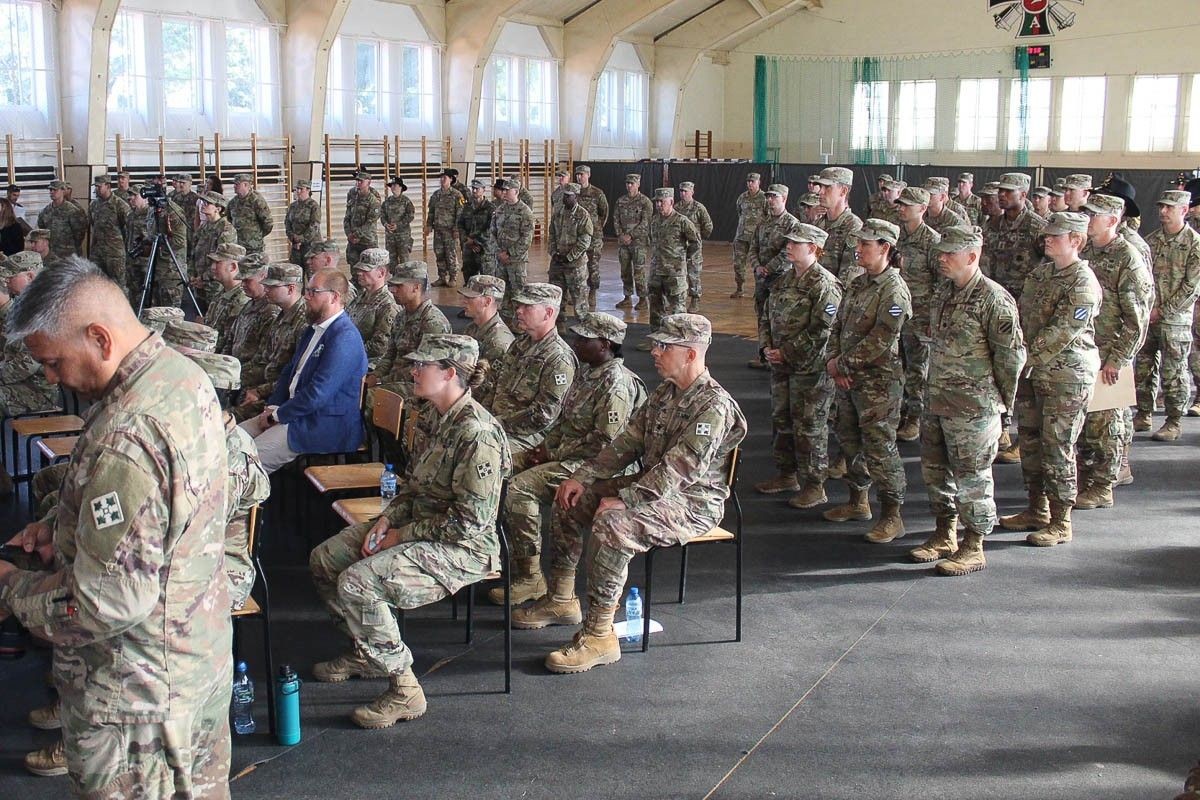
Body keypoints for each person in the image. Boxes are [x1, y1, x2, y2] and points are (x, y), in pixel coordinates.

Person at [0, 257, 231, 797]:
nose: (53, 379)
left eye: (55, 362)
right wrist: (60, 526)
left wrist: (13, 589)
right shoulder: (176, 374)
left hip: (138, 700)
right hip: (188, 660)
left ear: (100, 337)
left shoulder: (130, 431)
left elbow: (106, 603)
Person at [308, 334, 509, 728]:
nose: (414, 371)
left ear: (450, 373)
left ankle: (405, 688)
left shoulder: (477, 434)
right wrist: (387, 520)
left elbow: (470, 523)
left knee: (357, 583)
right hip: (418, 525)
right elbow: (413, 484)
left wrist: (402, 534)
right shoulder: (434, 414)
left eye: (424, 366)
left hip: (462, 547)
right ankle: (367, 651)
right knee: (324, 560)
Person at [544, 313, 746, 673]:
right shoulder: (665, 394)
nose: (654, 351)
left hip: (693, 503)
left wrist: (627, 499)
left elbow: (680, 470)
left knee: (613, 524)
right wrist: (583, 476)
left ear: (690, 354)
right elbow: (627, 443)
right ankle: (561, 597)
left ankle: (598, 635)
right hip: (654, 489)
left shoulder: (713, 406)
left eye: (664, 346)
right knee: (572, 498)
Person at [499, 313, 646, 610]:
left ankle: (537, 578)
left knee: (519, 489)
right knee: (504, 468)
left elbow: (608, 445)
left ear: (605, 344)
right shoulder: (588, 374)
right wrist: (544, 448)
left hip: (598, 466)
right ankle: (525, 568)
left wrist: (554, 453)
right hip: (571, 456)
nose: (575, 343)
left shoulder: (615, 383)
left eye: (584, 339)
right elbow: (564, 423)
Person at [910, 225, 1025, 575]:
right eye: (941, 252)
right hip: (938, 399)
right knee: (934, 472)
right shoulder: (945, 292)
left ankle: (974, 545)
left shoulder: (994, 299)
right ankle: (945, 533)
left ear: (972, 257)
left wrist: (1003, 405)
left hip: (974, 407)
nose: (941, 258)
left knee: (973, 478)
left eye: (950, 254)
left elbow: (1011, 359)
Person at [999, 212, 1101, 547]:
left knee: (1058, 445)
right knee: (1029, 440)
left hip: (1066, 375)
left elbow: (1063, 333)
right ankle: (1036, 507)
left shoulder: (1083, 282)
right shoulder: (1041, 274)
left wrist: (1022, 357)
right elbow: (1022, 316)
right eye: (1047, 235)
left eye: (1055, 236)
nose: (1047, 240)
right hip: (1033, 372)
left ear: (1076, 240)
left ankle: (1061, 520)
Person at [823, 219, 912, 543]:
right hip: (848, 380)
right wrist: (834, 361)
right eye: (858, 244)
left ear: (885, 248)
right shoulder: (859, 284)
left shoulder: (894, 290)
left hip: (878, 385)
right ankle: (857, 502)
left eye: (865, 245)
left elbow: (882, 340)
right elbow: (838, 326)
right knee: (849, 441)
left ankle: (892, 515)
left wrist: (841, 364)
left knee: (879, 448)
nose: (858, 250)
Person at [240, 268, 367, 472]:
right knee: (230, 440)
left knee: (242, 463)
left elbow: (318, 393)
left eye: (313, 291)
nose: (306, 296)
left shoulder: (345, 337)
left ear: (334, 297)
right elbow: (289, 372)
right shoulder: (313, 328)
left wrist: (278, 416)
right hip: (295, 414)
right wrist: (273, 407)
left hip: (322, 424)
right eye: (307, 290)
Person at [1073, 194, 1152, 510]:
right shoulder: (1087, 251)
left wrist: (1119, 358)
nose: (1087, 219)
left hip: (1111, 355)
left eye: (1094, 215)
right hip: (1087, 349)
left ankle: (1104, 485)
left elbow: (1137, 319)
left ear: (1112, 219)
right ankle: (1087, 478)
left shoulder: (1127, 257)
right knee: (1086, 423)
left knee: (1109, 424)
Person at [754, 225, 841, 509]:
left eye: (796, 243)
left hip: (810, 370)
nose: (789, 246)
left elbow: (822, 331)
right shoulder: (783, 280)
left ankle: (814, 486)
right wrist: (767, 347)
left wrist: (786, 352)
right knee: (782, 421)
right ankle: (787, 474)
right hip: (781, 366)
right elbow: (767, 315)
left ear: (813, 248)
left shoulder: (825, 285)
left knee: (810, 427)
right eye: (788, 242)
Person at [1133, 190, 1200, 441]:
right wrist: (1146, 310)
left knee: (1173, 373)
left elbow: (1191, 289)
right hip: (1149, 317)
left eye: (1169, 208)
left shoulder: (1195, 245)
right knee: (1143, 368)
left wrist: (1161, 311)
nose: (1163, 211)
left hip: (1175, 321)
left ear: (1183, 210)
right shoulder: (1151, 241)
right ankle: (1143, 413)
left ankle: (1173, 421)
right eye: (1161, 206)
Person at [487, 282, 577, 467]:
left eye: (527, 306)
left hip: (529, 437)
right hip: (498, 424)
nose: (519, 311)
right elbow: (496, 387)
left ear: (549, 313)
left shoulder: (559, 359)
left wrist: (495, 424)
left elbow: (543, 416)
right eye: (519, 305)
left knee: (480, 454)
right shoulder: (519, 345)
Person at [894, 186, 942, 441]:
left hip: (920, 317)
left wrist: (933, 320)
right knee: (897, 366)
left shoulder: (932, 242)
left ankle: (915, 416)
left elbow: (942, 284)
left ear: (922, 209)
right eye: (900, 204)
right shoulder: (898, 237)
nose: (901, 208)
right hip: (897, 314)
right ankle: (900, 411)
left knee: (917, 369)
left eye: (907, 205)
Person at [233, 263, 308, 421]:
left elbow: (296, 376)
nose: (266, 290)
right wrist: (233, 377)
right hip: (265, 388)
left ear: (291, 288)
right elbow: (261, 359)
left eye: (272, 286)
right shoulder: (281, 317)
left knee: (228, 420)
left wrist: (259, 391)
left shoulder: (304, 323)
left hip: (281, 397)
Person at [372, 260, 451, 404]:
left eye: (399, 286)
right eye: (392, 286)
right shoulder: (401, 316)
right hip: (395, 380)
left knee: (369, 399)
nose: (393, 290)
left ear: (416, 287)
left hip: (418, 385)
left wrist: (381, 381)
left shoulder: (433, 323)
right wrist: (376, 375)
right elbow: (390, 354)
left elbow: (424, 369)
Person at [747, 183, 802, 369]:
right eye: (768, 196)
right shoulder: (763, 223)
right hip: (762, 279)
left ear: (784, 199)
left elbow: (788, 253)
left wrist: (769, 268)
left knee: (779, 320)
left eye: (774, 197)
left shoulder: (792, 224)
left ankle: (779, 358)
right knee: (762, 317)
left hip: (780, 279)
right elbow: (752, 248)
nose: (769, 200)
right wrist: (757, 267)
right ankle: (763, 356)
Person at [641, 188, 700, 347]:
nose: (659, 205)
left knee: (677, 311)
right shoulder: (654, 221)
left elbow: (695, 242)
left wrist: (685, 260)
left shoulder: (682, 221)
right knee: (655, 308)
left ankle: (678, 343)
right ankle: (656, 340)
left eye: (662, 201)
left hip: (675, 274)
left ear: (671, 202)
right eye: (657, 202)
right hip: (656, 271)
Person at [459, 274, 513, 408]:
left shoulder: (499, 342)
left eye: (469, 298)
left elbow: (487, 391)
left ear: (487, 301)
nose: (463, 301)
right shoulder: (471, 328)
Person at [548, 181, 593, 327]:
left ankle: (584, 328)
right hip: (557, 263)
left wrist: (569, 257)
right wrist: (554, 253)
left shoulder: (583, 215)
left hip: (575, 265)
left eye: (569, 196)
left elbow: (585, 240)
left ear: (576, 197)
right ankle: (559, 325)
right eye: (564, 196)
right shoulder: (558, 214)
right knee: (556, 296)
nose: (565, 199)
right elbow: (552, 235)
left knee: (579, 299)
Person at [347, 247, 399, 370]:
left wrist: (346, 351)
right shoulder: (360, 297)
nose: (359, 273)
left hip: (370, 363)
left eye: (365, 270)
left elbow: (379, 346)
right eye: (359, 270)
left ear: (381, 273)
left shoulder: (388, 304)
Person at [490, 178, 536, 319]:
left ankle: (520, 322)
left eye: (507, 190)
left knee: (518, 293)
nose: (504, 192)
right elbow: (492, 233)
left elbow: (527, 238)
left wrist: (510, 253)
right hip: (501, 260)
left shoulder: (525, 212)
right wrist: (498, 252)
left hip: (516, 260)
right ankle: (506, 320)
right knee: (502, 292)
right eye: (503, 190)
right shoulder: (500, 210)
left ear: (515, 192)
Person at [814, 167, 864, 283]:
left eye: (827, 187)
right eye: (820, 187)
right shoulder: (819, 224)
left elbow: (848, 280)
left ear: (843, 191)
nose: (820, 192)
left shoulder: (854, 227)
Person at [613, 173, 653, 310]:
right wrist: (620, 235)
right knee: (625, 270)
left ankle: (643, 299)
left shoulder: (645, 202)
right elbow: (616, 220)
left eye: (632, 183)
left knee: (639, 271)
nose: (629, 186)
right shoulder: (620, 201)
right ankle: (627, 297)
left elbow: (645, 223)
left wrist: (630, 235)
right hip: (623, 243)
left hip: (638, 243)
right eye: (628, 183)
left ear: (638, 184)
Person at [203, 242, 251, 353]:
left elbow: (227, 342)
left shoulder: (241, 300)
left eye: (218, 263)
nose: (213, 267)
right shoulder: (221, 294)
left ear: (233, 267)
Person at [192, 190, 237, 307]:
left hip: (215, 283)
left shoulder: (226, 229)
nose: (203, 205)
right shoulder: (204, 227)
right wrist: (193, 275)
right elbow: (193, 252)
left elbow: (223, 259)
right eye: (203, 202)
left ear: (218, 208)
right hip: (199, 282)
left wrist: (204, 278)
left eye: (208, 203)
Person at [675, 181, 713, 313]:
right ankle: (678, 299)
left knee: (693, 274)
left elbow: (708, 226)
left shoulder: (698, 208)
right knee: (678, 274)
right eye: (681, 191)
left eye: (686, 191)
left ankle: (695, 299)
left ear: (692, 192)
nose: (683, 194)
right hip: (679, 247)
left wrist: (698, 238)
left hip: (694, 248)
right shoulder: (676, 207)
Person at [575, 165, 609, 307]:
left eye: (582, 174)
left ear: (588, 175)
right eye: (577, 174)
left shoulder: (597, 193)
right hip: (577, 236)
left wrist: (597, 228)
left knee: (593, 265)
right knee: (576, 266)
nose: (579, 177)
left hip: (593, 237)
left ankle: (593, 291)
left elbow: (604, 212)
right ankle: (578, 293)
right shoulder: (573, 192)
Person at [87, 175, 130, 286]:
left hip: (114, 253)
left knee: (118, 285)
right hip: (97, 253)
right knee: (96, 283)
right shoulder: (94, 205)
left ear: (108, 186)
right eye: (95, 187)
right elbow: (93, 224)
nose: (96, 189)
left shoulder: (120, 205)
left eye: (99, 186)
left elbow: (128, 227)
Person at [731, 171, 768, 298]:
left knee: (757, 265)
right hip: (741, 237)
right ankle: (739, 288)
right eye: (748, 181)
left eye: (753, 181)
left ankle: (758, 291)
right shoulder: (742, 197)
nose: (750, 184)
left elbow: (768, 217)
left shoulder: (764, 198)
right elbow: (739, 212)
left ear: (759, 182)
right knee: (738, 264)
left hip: (756, 239)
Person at [426, 168, 464, 286]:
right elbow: (431, 211)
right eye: (441, 178)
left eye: (445, 178)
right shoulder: (436, 195)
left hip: (450, 231)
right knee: (439, 254)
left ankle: (453, 277)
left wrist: (457, 229)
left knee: (450, 254)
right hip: (438, 230)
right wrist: (428, 225)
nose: (442, 180)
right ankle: (442, 277)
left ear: (451, 179)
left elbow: (460, 213)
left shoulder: (456, 195)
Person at [37, 178, 87, 259]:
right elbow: (42, 230)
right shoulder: (45, 211)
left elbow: (79, 233)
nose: (52, 192)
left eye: (55, 190)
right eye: (50, 190)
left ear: (63, 191)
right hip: (51, 254)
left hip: (69, 254)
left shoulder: (72, 211)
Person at [227, 173, 274, 255]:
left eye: (237, 184)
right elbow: (229, 220)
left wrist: (257, 236)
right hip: (238, 246)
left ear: (245, 185)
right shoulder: (233, 202)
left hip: (254, 247)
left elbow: (268, 223)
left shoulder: (257, 201)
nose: (234, 186)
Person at [457, 178, 492, 284]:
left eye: (477, 188)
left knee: (486, 279)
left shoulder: (490, 208)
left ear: (484, 190)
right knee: (469, 277)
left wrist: (476, 241)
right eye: (473, 188)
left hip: (483, 248)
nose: (475, 191)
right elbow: (460, 224)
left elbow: (491, 228)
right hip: (468, 248)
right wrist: (467, 240)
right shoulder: (466, 207)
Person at [343, 170, 382, 267]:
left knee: (369, 269)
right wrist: (349, 234)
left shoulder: (373, 200)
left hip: (367, 241)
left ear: (368, 182)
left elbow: (370, 222)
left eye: (361, 181)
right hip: (353, 241)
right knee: (354, 269)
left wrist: (356, 235)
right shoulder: (352, 196)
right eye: (357, 181)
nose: (358, 183)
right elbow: (347, 217)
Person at [285, 178, 322, 266]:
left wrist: (301, 239)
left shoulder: (313, 206)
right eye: (297, 189)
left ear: (308, 190)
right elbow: (287, 223)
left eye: (301, 189)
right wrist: (293, 237)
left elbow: (314, 226)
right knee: (296, 272)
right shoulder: (293, 206)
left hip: (310, 245)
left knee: (311, 273)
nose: (298, 191)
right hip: (296, 247)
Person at [382, 176, 416, 268]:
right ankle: (394, 280)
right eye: (391, 185)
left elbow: (410, 216)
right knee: (391, 261)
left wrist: (398, 225)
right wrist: (386, 224)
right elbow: (382, 215)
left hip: (403, 236)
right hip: (390, 237)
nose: (393, 187)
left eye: (395, 185)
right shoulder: (387, 202)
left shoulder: (406, 201)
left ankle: (405, 280)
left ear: (401, 187)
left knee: (404, 260)